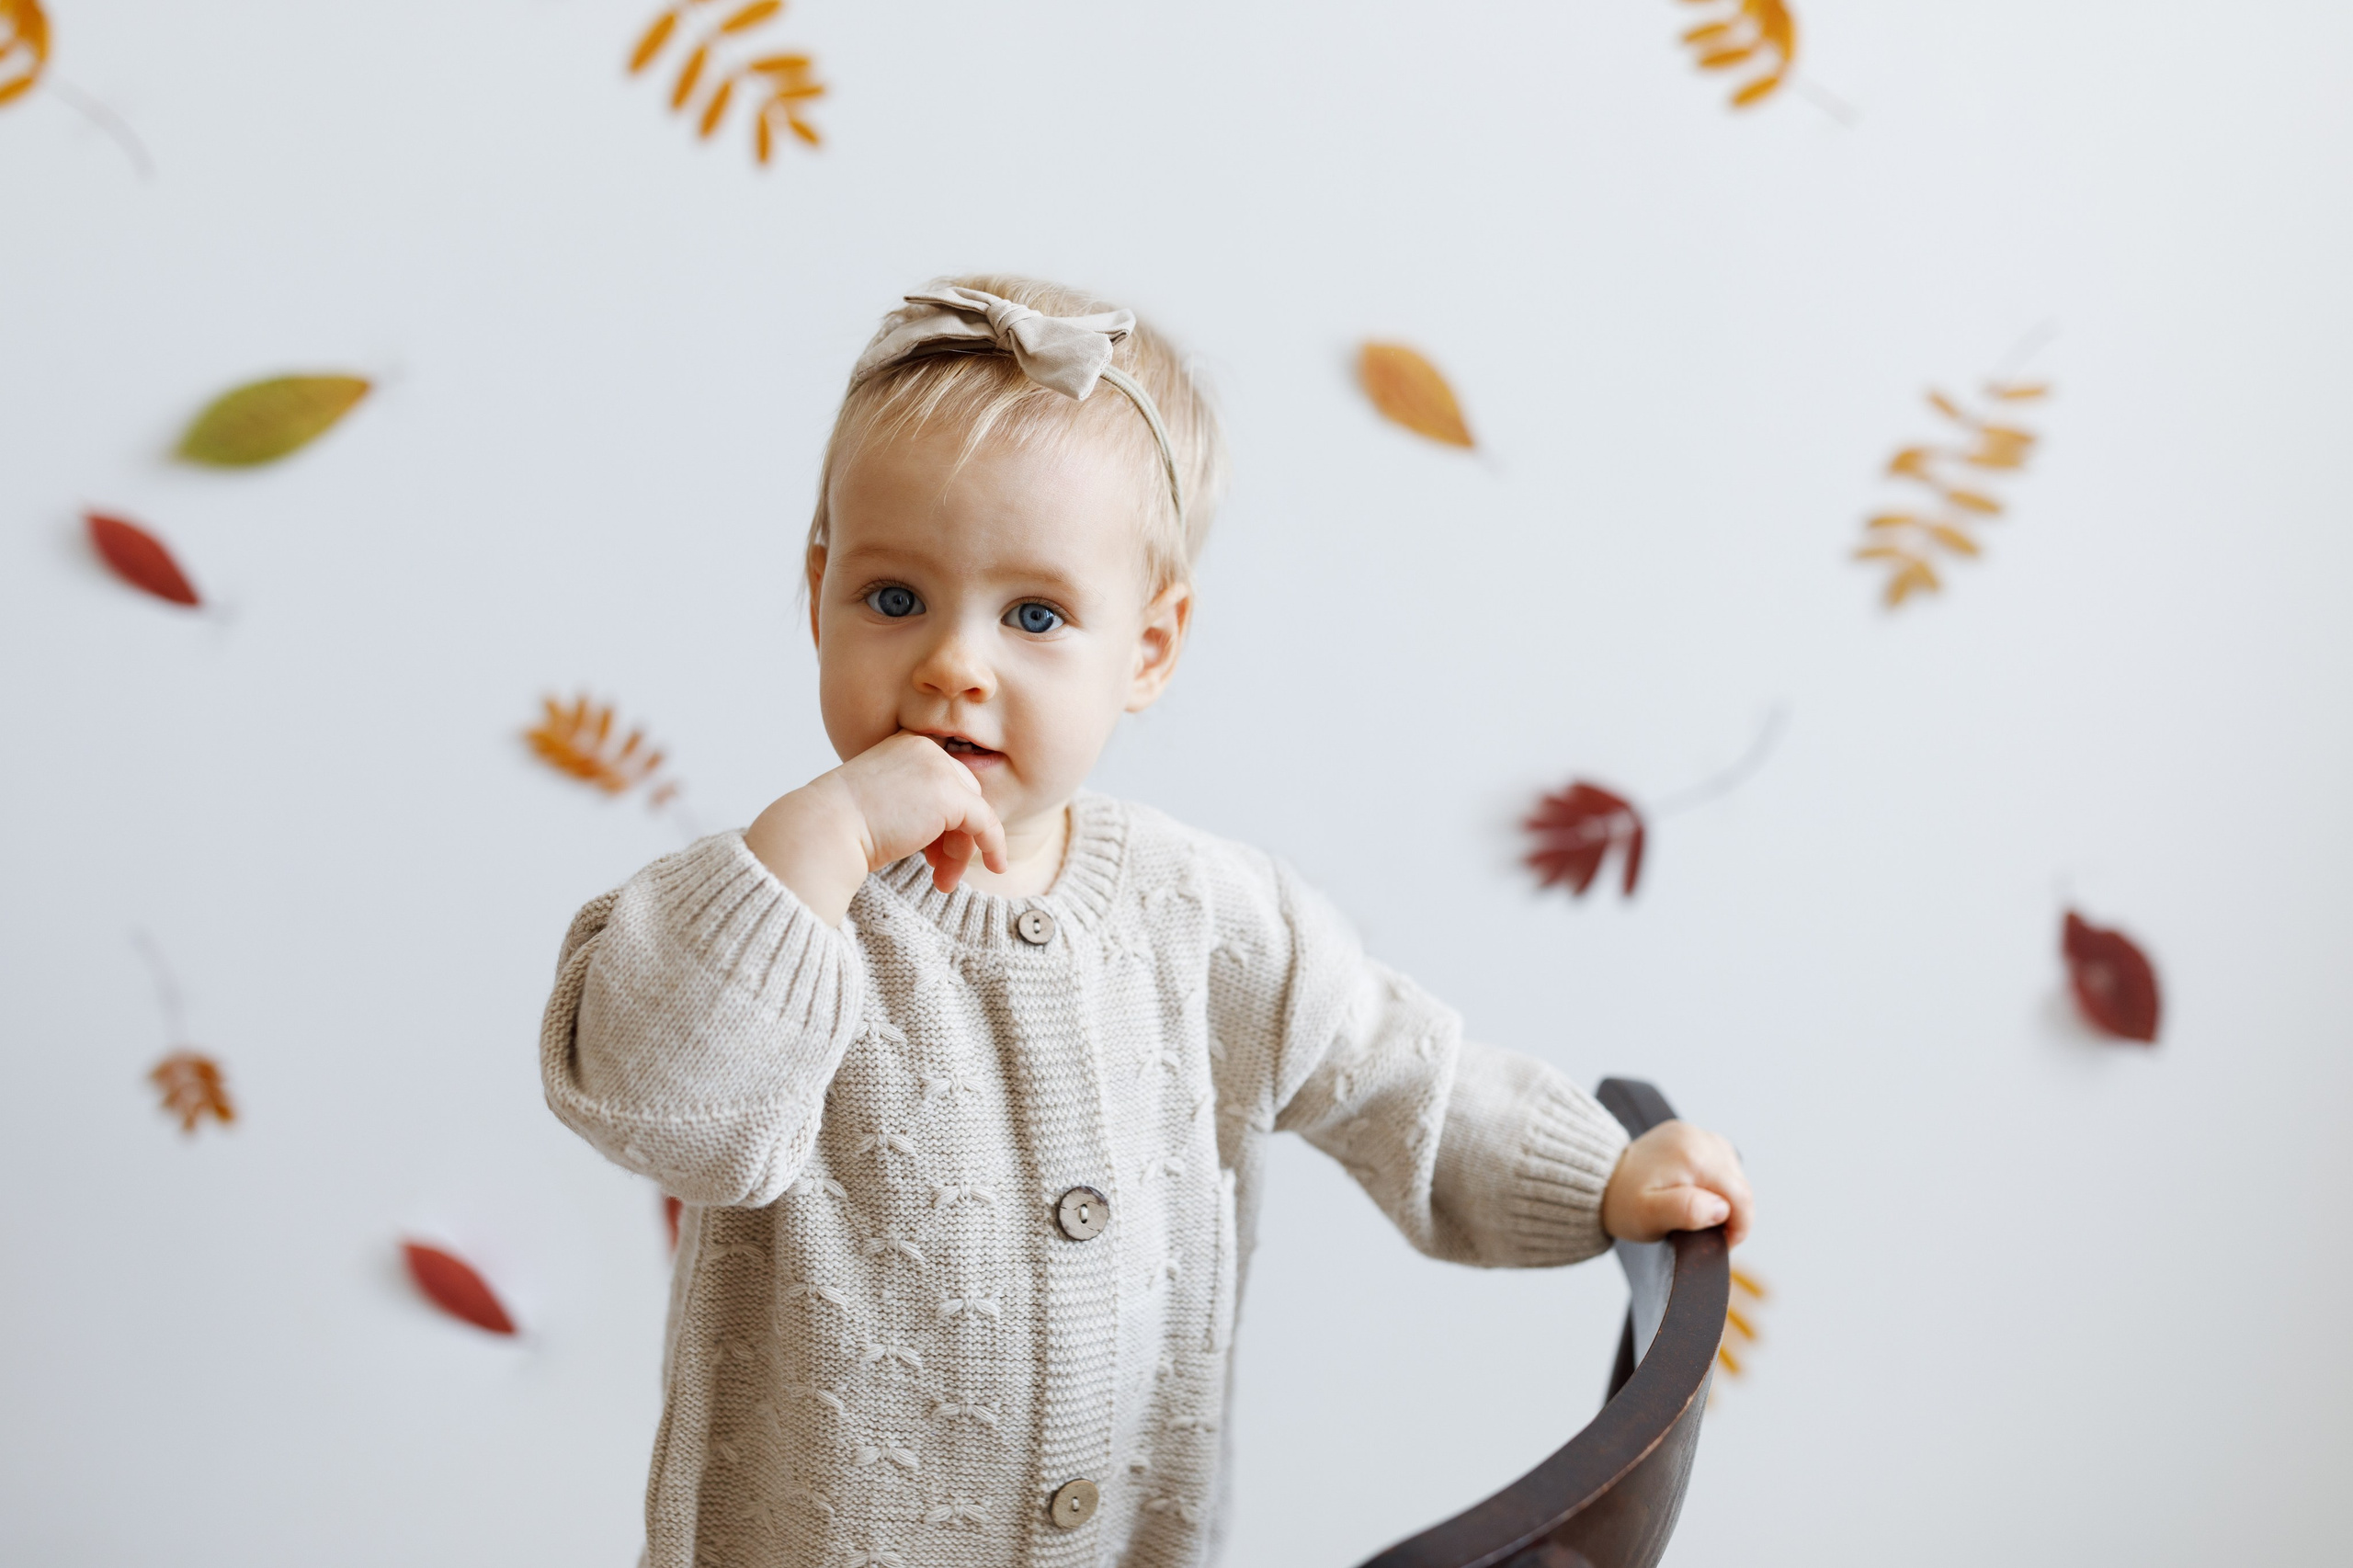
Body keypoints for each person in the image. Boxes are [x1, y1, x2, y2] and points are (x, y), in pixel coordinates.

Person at [539, 276, 1754, 1568]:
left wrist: (1599, 1178)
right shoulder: (780, 910)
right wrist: (826, 834)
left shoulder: (1208, 916)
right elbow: (665, 1101)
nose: (956, 662)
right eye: (895, 598)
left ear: (1150, 647)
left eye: (1036, 615)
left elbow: (1407, 1079)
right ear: (820, 587)